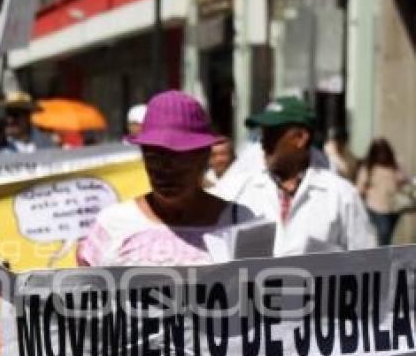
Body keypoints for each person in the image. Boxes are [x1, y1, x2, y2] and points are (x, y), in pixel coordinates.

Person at [78, 90, 255, 267]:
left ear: (203, 156)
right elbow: (83, 289)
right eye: (154, 157)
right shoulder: (112, 225)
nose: (165, 169)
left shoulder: (241, 223)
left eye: (178, 157)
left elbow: (256, 289)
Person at [232, 96, 376, 255]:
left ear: (300, 138)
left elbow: (367, 258)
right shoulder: (240, 189)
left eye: (272, 135)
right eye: (262, 135)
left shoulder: (341, 195)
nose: (263, 144)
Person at [356, 137, 408, 246]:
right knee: (383, 236)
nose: (382, 154)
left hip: (394, 208)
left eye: (384, 150)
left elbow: (403, 180)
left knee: (387, 235)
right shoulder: (368, 167)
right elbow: (360, 188)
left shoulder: (395, 163)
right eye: (379, 151)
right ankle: (382, 260)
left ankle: (384, 257)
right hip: (377, 208)